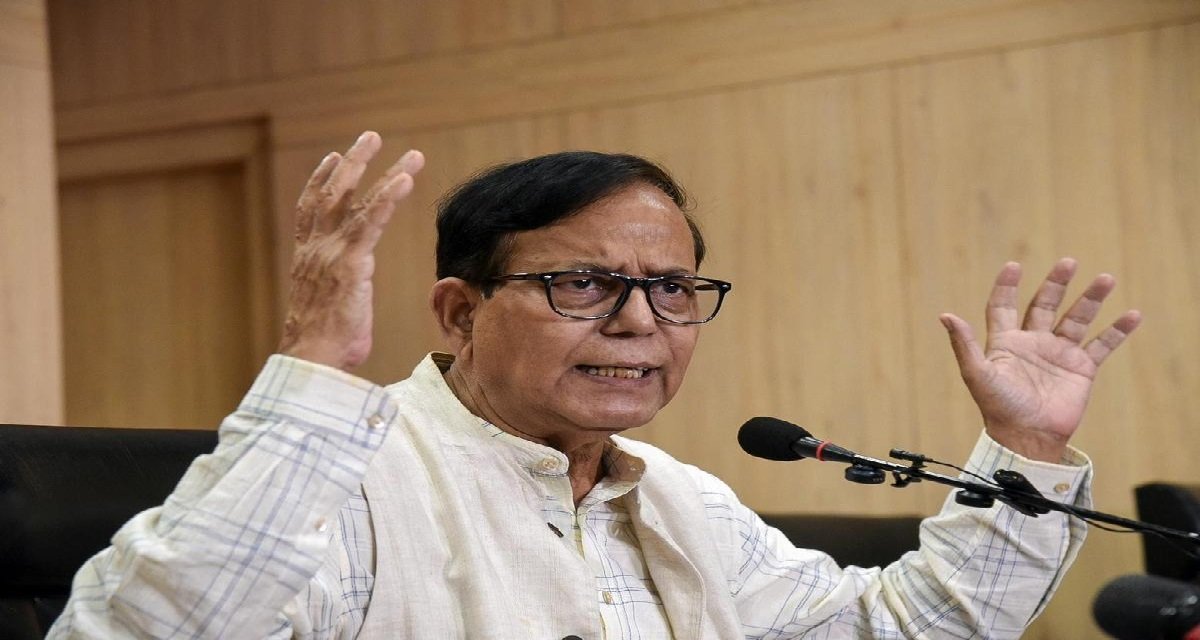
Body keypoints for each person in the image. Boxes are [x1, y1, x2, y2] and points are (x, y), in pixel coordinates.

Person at [49, 131, 1141, 639]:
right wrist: (312, 370)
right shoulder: (347, 477)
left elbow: (905, 630)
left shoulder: (682, 499)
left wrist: (1027, 450)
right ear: (460, 312)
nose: (638, 322)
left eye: (672, 289)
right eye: (581, 283)